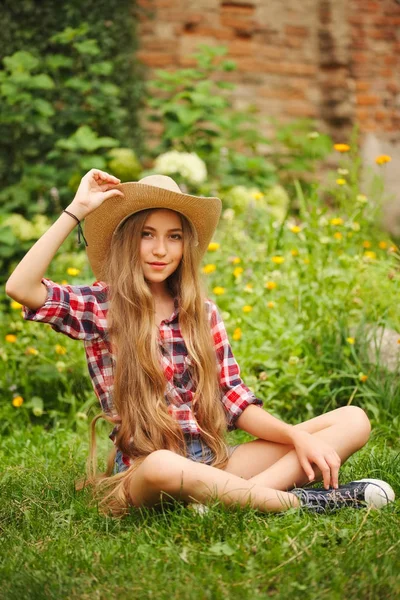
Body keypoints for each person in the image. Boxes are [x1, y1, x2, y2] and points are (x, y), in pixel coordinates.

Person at [6, 169, 395, 517]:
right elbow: (20, 287)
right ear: (127, 240)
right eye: (147, 235)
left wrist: (297, 436)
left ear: (185, 246)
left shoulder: (201, 313)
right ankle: (306, 502)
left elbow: (235, 401)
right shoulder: (101, 306)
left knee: (353, 419)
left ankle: (227, 497)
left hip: (215, 463)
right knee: (162, 465)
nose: (161, 250)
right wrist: (75, 209)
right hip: (147, 473)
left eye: (173, 237)